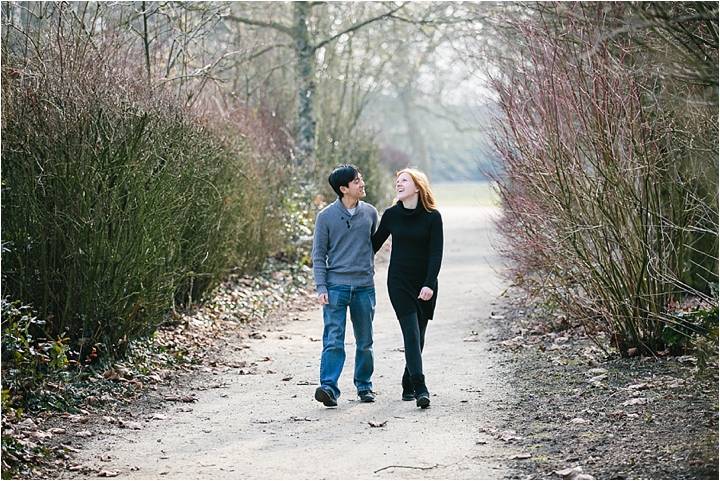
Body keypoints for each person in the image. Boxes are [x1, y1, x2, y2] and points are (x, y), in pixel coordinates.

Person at [372, 168, 443, 409]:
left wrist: (429, 284)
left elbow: (436, 255)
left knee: (419, 337)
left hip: (424, 283)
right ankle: (420, 387)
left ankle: (406, 383)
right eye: (397, 181)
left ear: (417, 187)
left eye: (404, 181)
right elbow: (373, 245)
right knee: (411, 334)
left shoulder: (433, 217)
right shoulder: (391, 215)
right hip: (399, 282)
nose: (398, 184)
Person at [312, 164, 379, 407]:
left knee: (365, 341)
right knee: (333, 339)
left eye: (361, 179)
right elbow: (319, 255)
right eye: (356, 181)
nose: (362, 184)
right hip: (336, 287)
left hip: (364, 287)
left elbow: (375, 244)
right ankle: (328, 388)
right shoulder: (326, 217)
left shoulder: (371, 213)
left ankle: (364, 386)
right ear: (343, 189)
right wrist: (321, 287)